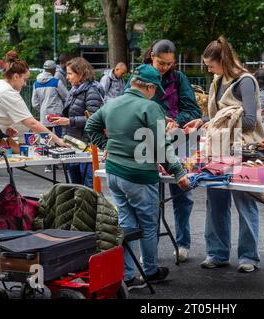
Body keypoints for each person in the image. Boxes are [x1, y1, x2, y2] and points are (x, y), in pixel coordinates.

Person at [85, 64, 190, 290]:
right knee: (148, 225)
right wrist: (178, 172)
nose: (156, 94)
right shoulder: (149, 107)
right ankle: (150, 271)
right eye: (156, 90)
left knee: (127, 224)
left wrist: (107, 146)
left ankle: (129, 275)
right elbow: (162, 143)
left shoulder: (111, 104)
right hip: (139, 175)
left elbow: (90, 125)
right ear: (149, 87)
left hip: (113, 173)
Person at [184, 36, 264, 273]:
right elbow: (223, 118)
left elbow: (250, 121)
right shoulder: (218, 81)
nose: (209, 70)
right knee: (216, 202)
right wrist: (203, 121)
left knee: (246, 203)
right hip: (219, 150)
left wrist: (217, 122)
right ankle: (217, 253)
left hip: (243, 152)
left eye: (211, 65)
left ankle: (249, 256)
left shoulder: (246, 81)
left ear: (223, 61)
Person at [140, 39, 202, 262]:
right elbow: (132, 106)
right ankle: (150, 251)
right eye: (160, 63)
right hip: (147, 141)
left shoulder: (179, 78)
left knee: (182, 194)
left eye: (169, 63)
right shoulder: (139, 77)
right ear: (151, 57)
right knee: (149, 199)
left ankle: (183, 243)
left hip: (179, 142)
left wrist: (175, 121)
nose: (165, 67)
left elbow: (193, 110)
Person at [0, 50, 66, 153]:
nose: (25, 84)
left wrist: (4, 128)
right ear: (16, 76)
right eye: (24, 79)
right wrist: (58, 140)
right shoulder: (10, 92)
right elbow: (32, 124)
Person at [50, 57, 105, 188]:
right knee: (75, 185)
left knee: (87, 186)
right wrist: (59, 119)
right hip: (72, 143)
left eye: (70, 73)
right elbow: (72, 114)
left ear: (80, 74)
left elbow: (95, 119)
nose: (67, 77)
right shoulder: (74, 90)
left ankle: (90, 209)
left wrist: (69, 121)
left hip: (86, 145)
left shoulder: (91, 91)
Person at [32, 60, 69, 172]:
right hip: (57, 115)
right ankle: (61, 162)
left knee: (45, 139)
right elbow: (66, 96)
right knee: (59, 138)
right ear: (53, 70)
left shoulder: (36, 83)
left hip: (44, 115)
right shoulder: (56, 82)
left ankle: (47, 165)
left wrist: (42, 109)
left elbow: (34, 103)